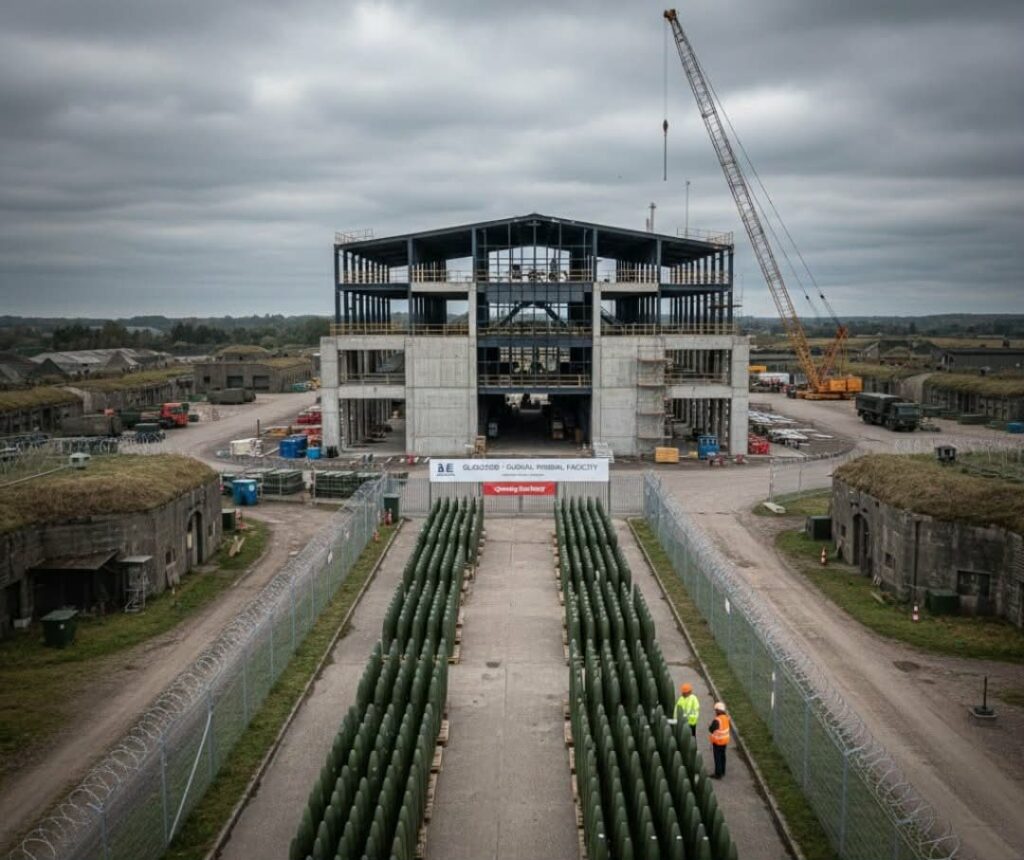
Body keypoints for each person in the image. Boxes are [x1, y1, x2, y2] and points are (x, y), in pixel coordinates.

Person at [708, 702, 730, 779]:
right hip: (724, 741)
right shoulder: (726, 718)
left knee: (717, 758)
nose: (715, 711)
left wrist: (710, 727)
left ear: (719, 710)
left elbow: (711, 729)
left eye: (716, 710)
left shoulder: (717, 720)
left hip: (717, 742)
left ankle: (718, 774)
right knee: (723, 756)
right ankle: (723, 771)